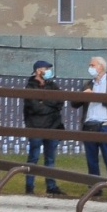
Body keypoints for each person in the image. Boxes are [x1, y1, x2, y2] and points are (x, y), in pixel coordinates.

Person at [76, 55, 107, 198]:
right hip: (89, 125)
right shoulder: (87, 85)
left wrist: (98, 97)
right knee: (91, 160)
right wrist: (81, 96)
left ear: (101, 67)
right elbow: (75, 104)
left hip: (105, 125)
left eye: (93, 65)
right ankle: (95, 189)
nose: (90, 68)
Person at [22, 60, 67, 196]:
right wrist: (49, 104)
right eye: (45, 68)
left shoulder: (52, 85)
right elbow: (35, 107)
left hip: (53, 126)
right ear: (37, 70)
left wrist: (44, 101)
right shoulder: (30, 87)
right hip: (36, 127)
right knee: (33, 158)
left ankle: (51, 186)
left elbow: (60, 102)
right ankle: (29, 187)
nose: (48, 71)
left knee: (50, 159)